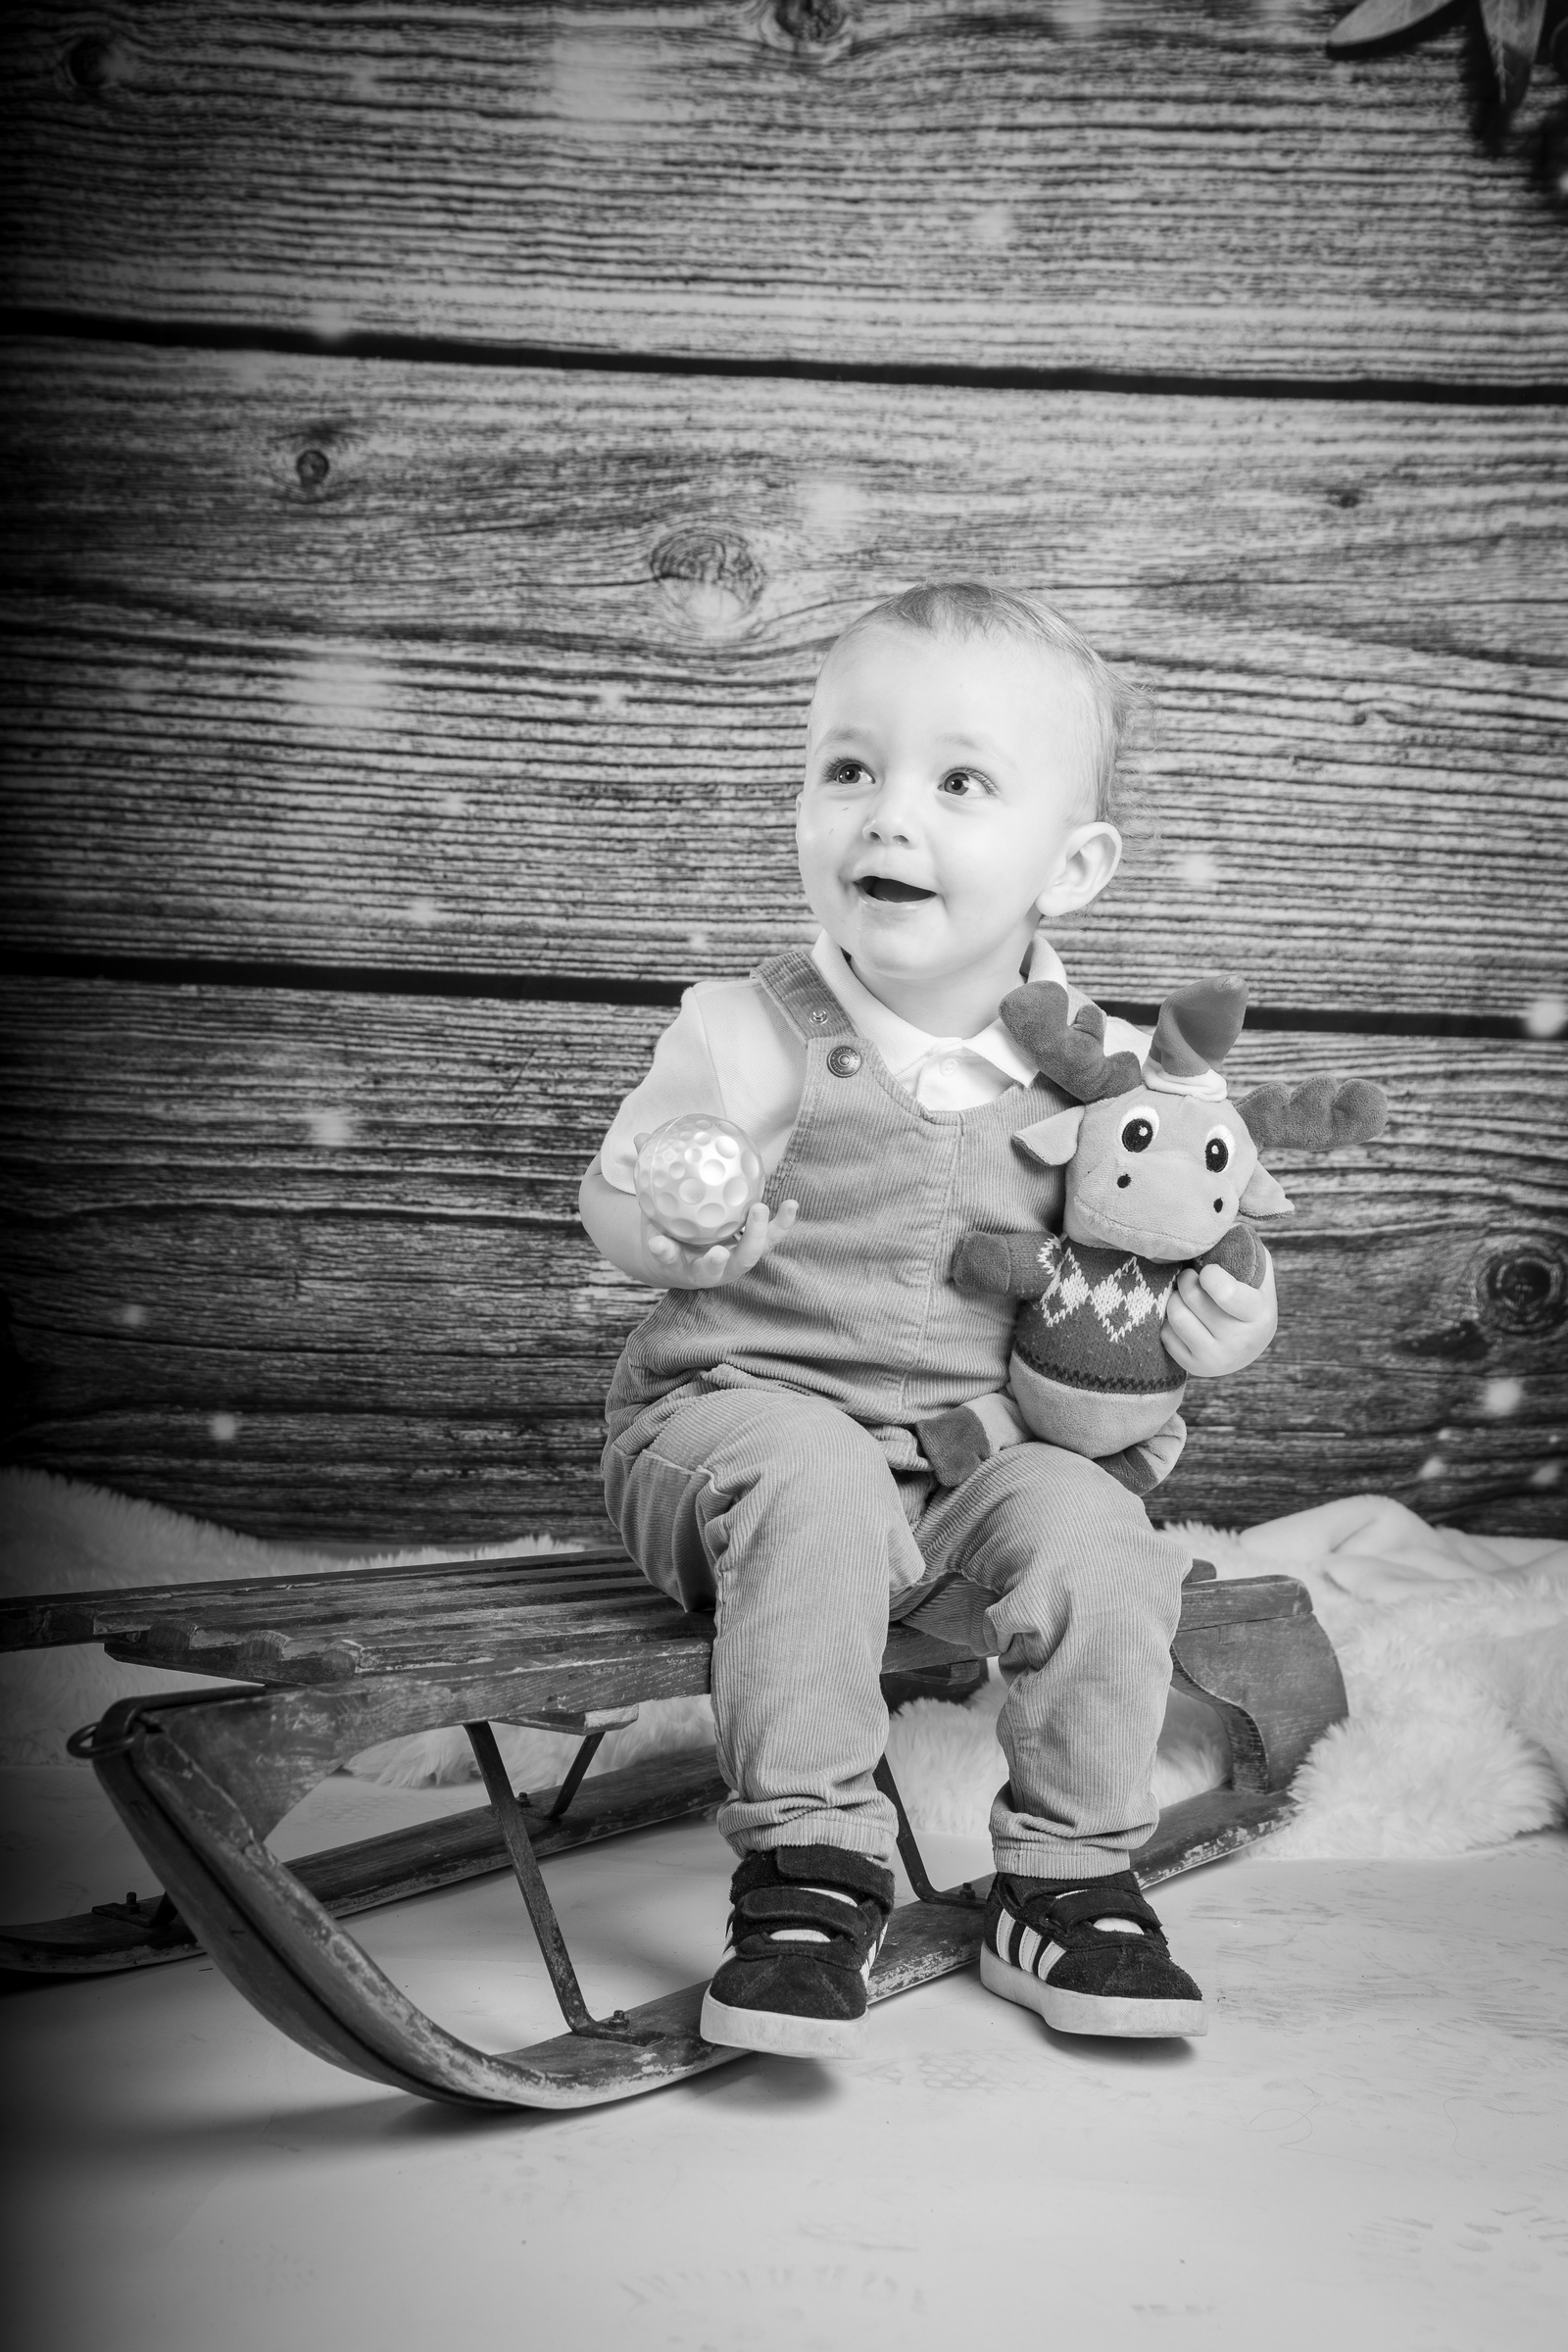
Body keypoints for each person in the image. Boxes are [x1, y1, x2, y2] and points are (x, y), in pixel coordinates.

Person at [578, 580, 1276, 2057]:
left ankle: (1069, 1877)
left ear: (1070, 866)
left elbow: (1183, 1233)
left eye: (960, 782)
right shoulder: (749, 1029)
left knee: (1100, 1531)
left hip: (966, 1466)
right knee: (816, 1470)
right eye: (850, 767)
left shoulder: (1117, 1083)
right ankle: (812, 1867)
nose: (888, 816)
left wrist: (1234, 1322)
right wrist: (668, 1226)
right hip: (727, 1439)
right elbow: (618, 1196)